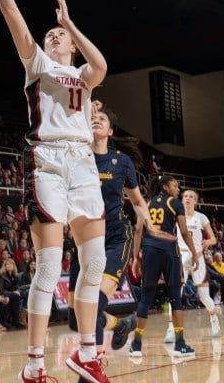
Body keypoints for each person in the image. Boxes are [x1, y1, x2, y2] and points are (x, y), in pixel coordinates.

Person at [0, 0, 109, 383]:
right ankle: (33, 366)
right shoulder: (36, 63)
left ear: (69, 45)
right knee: (50, 265)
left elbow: (103, 66)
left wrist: (70, 23)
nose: (52, 37)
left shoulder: (82, 74)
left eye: (59, 36)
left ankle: (86, 353)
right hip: (47, 160)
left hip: (83, 163)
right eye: (51, 34)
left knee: (94, 263)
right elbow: (9, 10)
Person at [68, 104, 169, 354]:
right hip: (84, 237)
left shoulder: (121, 161)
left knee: (94, 300)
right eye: (93, 118)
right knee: (74, 317)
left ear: (111, 130)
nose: (96, 121)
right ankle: (120, 324)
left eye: (102, 118)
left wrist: (151, 227)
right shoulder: (77, 156)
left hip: (115, 236)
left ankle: (90, 368)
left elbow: (136, 201)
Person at [129, 175, 199, 358]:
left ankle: (136, 345)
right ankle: (180, 344)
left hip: (149, 251)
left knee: (145, 298)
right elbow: (184, 231)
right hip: (169, 251)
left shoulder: (147, 203)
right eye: (175, 186)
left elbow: (138, 231)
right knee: (175, 297)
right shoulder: (175, 203)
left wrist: (136, 258)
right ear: (166, 187)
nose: (178, 190)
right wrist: (194, 252)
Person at [164, 189, 220, 341]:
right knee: (175, 295)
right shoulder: (176, 217)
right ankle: (171, 329)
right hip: (181, 257)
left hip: (198, 258)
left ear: (195, 201)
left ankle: (214, 319)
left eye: (190, 197)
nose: (187, 199)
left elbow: (214, 239)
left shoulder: (201, 217)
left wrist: (208, 241)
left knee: (204, 297)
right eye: (185, 197)